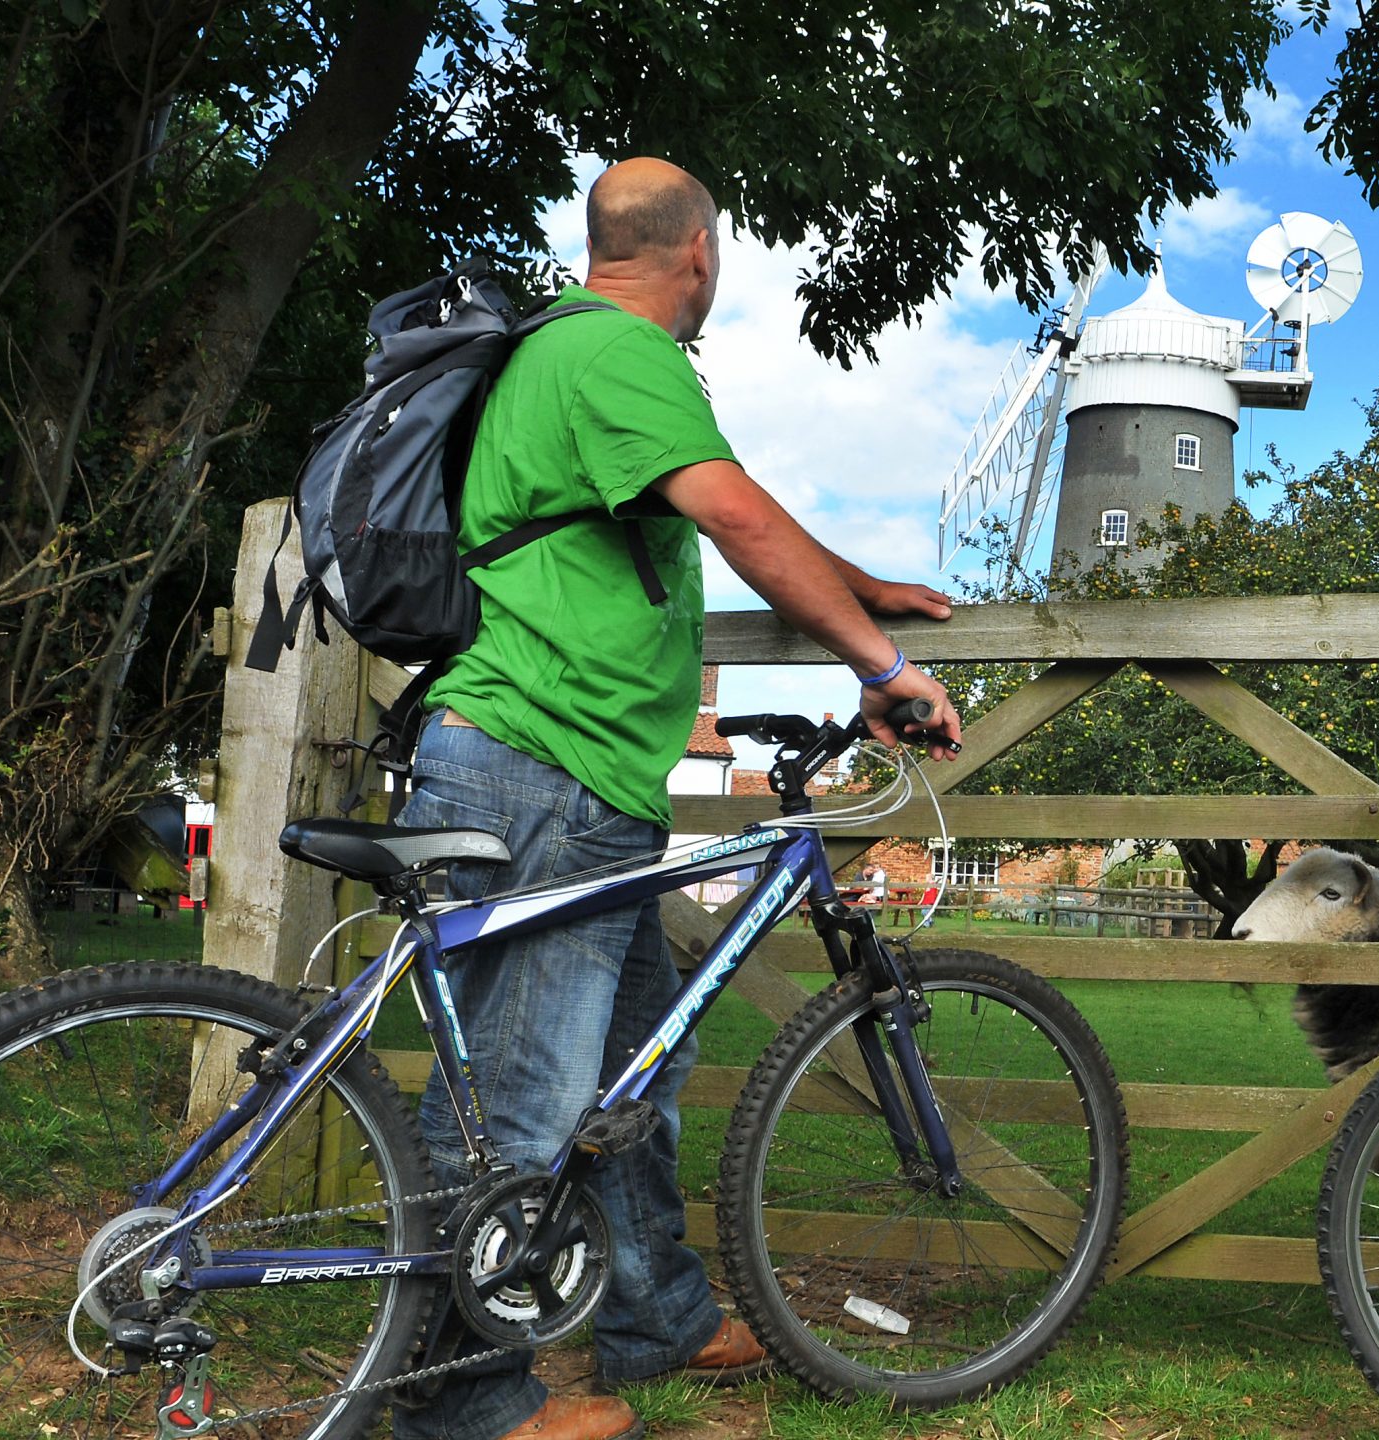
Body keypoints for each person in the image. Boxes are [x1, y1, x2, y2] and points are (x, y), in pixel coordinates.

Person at [390, 157, 963, 1440]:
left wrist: (851, 582)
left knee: (634, 1066)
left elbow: (726, 517)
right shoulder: (616, 354)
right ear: (697, 251)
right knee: (523, 1104)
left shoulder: (567, 355)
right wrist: (881, 663)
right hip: (543, 761)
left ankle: (654, 1314)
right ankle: (462, 1405)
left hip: (570, 771)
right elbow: (736, 515)